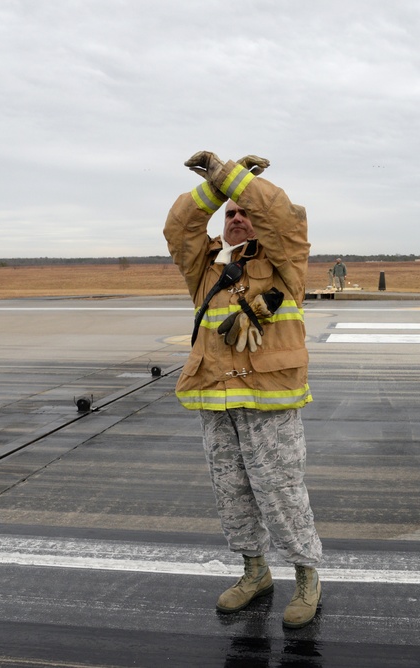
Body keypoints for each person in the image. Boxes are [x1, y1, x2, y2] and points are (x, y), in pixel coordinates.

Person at [163, 151, 323, 629]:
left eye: (243, 211)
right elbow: (178, 230)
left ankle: (306, 575)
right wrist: (215, 188)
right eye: (229, 213)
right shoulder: (206, 269)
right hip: (215, 401)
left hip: (269, 404)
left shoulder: (286, 262)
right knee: (232, 494)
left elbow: (284, 218)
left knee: (281, 494)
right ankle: (255, 572)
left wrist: (235, 178)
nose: (236, 217)